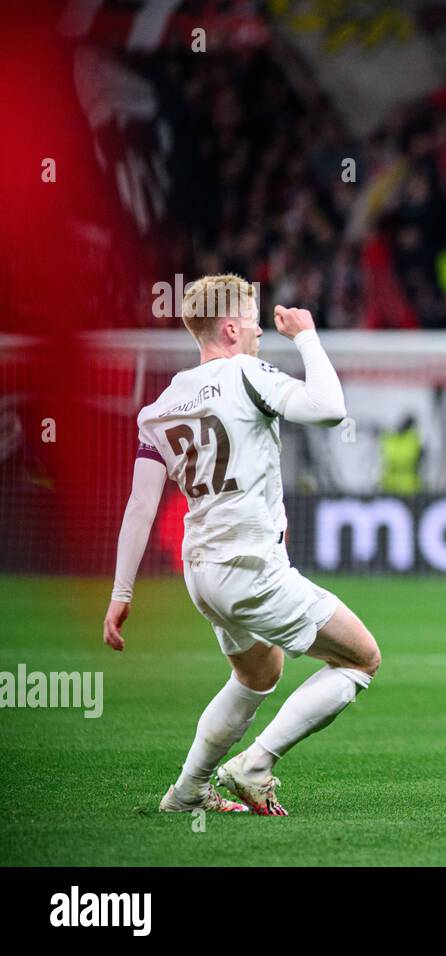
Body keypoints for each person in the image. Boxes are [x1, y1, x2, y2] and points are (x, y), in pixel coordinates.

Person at [103, 274, 381, 816]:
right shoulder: (247, 373)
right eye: (252, 319)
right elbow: (328, 409)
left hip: (200, 572)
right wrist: (307, 336)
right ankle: (255, 764)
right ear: (230, 327)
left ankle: (186, 793)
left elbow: (140, 507)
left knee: (259, 672)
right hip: (251, 567)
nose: (259, 330)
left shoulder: (160, 407)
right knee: (361, 659)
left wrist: (121, 591)